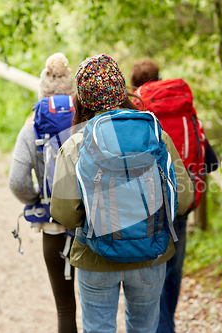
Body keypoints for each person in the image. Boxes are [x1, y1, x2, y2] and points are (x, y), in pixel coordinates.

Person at [50, 53, 194, 333]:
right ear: (120, 89)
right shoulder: (155, 133)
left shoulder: (78, 142)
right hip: (151, 255)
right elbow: (184, 199)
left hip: (95, 256)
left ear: (82, 97)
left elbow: (65, 214)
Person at [130, 59, 219, 333]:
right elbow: (211, 162)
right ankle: (166, 323)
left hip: (146, 207)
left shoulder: (136, 111)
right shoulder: (184, 108)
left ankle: (160, 326)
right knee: (173, 271)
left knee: (147, 270)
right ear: (159, 77)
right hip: (181, 203)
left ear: (135, 85)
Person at [8, 53, 78, 333]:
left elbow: (16, 181)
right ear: (73, 90)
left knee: (65, 309)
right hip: (91, 225)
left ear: (42, 90)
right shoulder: (89, 120)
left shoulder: (32, 126)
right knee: (100, 307)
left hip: (53, 226)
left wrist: (37, 198)